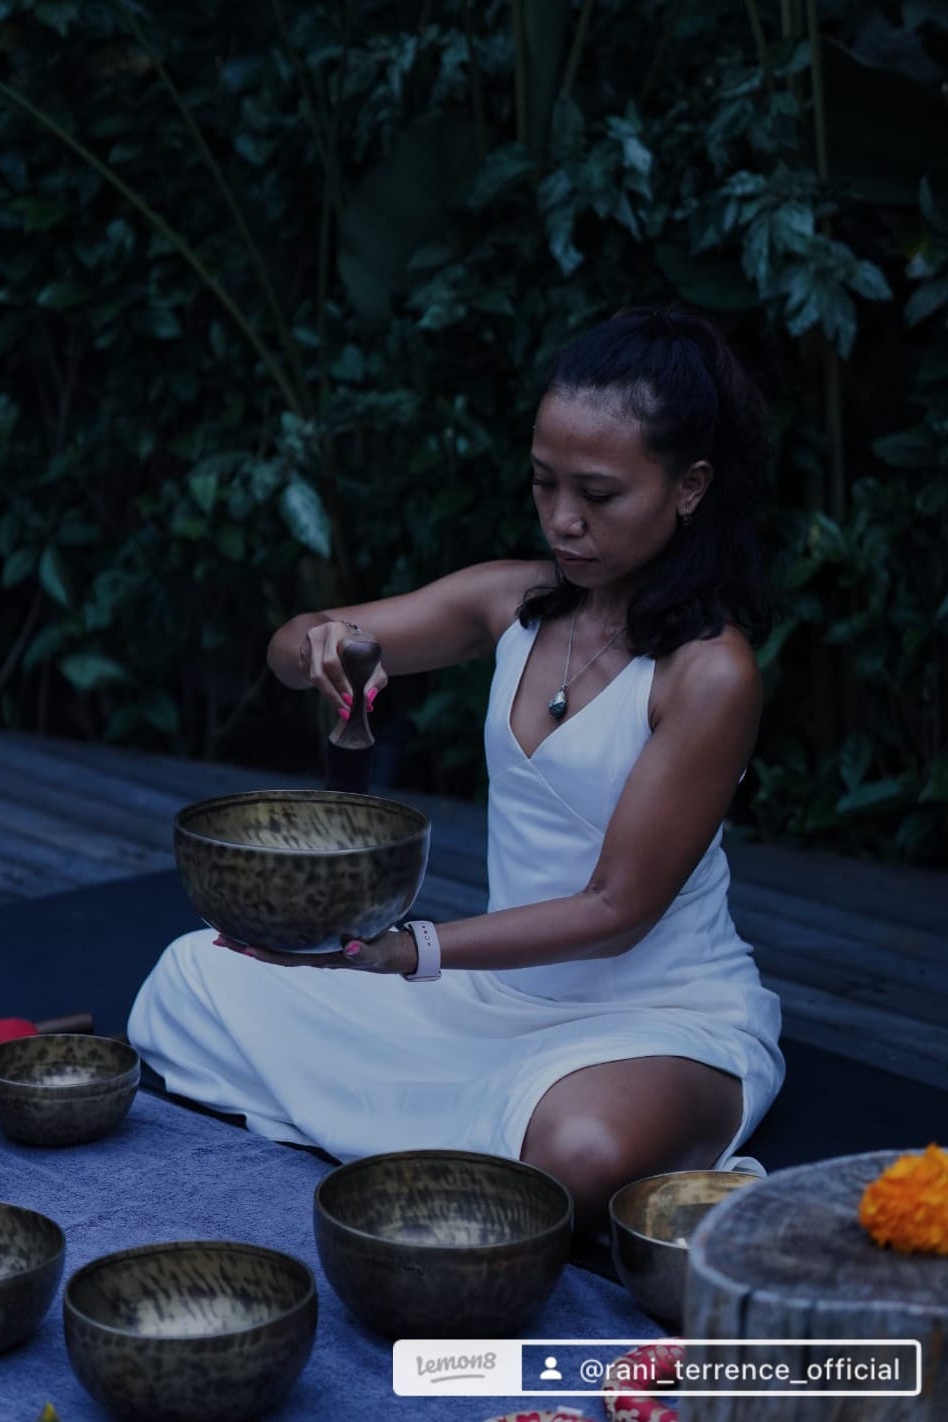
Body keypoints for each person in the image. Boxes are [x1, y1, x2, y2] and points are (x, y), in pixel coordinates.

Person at [128, 306, 784, 1231]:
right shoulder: (512, 600)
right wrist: (322, 643)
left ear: (689, 488)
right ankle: (458, 1144)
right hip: (487, 993)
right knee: (191, 977)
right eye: (544, 483)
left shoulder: (710, 671)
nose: (564, 520)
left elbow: (616, 910)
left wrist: (409, 952)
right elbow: (289, 648)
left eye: (599, 495)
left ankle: (445, 1130)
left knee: (581, 1155)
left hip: (656, 1015)